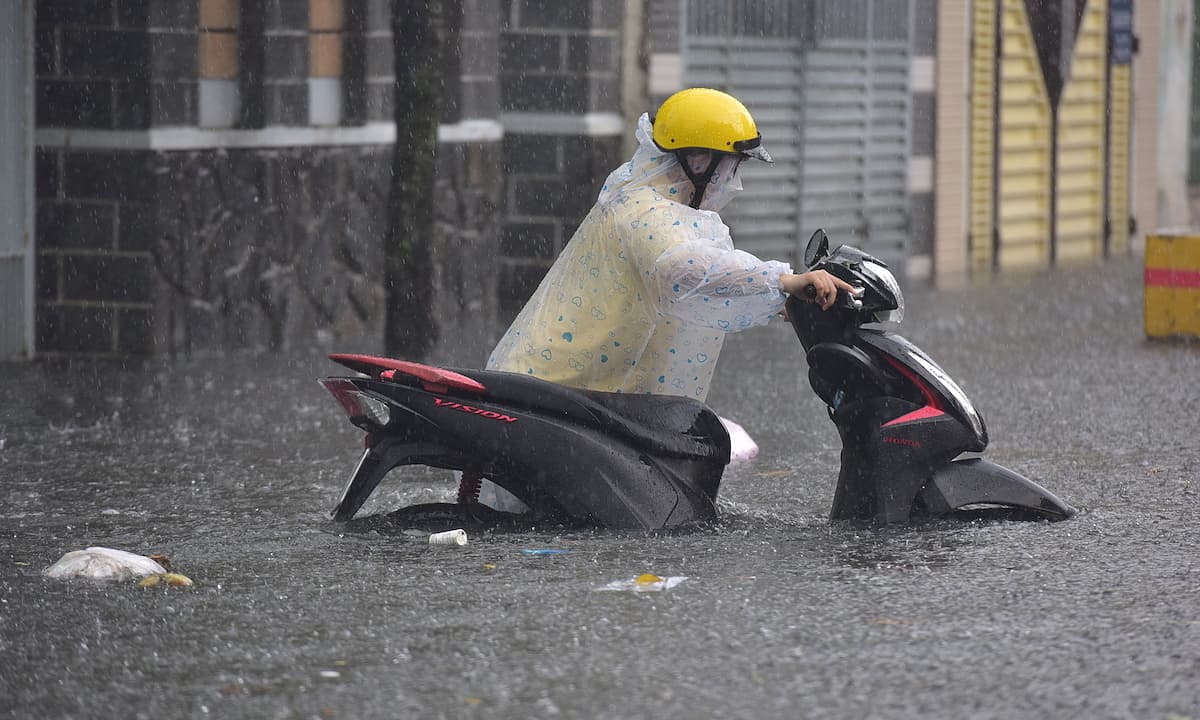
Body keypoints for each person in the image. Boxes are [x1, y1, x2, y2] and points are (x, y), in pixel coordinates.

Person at [469, 88, 854, 510]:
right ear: (699, 162)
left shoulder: (676, 214)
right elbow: (682, 269)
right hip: (553, 394)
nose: (735, 184)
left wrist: (779, 300)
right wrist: (782, 279)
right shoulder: (642, 210)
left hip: (596, 403)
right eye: (730, 169)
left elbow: (710, 281)